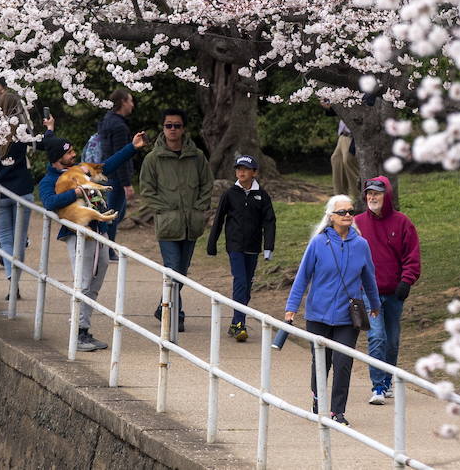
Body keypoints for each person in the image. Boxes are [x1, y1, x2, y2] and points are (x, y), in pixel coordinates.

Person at [37, 116, 146, 352]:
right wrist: (75, 192)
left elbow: (106, 167)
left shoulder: (80, 170)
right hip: (78, 234)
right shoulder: (50, 180)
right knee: (83, 281)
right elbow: (49, 202)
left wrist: (132, 148)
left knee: (95, 280)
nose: (74, 155)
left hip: (99, 231)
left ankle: (84, 329)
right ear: (57, 160)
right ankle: (77, 332)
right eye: (69, 153)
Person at [284, 194, 380, 427]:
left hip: (348, 316)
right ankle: (318, 399)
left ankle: (337, 411)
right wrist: (291, 308)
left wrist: (375, 304)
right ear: (331, 216)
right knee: (321, 362)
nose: (348, 215)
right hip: (318, 314)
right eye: (342, 212)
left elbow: (369, 278)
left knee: (343, 363)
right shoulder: (318, 242)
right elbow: (303, 276)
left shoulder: (361, 245)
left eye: (350, 211)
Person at [140, 108, 213, 333]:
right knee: (172, 269)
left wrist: (199, 209)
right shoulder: (152, 158)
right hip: (168, 226)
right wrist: (165, 210)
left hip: (192, 224)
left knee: (182, 271)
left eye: (177, 126)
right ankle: (175, 314)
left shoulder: (197, 156)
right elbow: (146, 190)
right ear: (163, 128)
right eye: (168, 125)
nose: (172, 130)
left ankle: (163, 307)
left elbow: (206, 185)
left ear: (184, 129)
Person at [354, 175, 421, 404]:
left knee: (392, 340)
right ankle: (378, 387)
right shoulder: (358, 223)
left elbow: (412, 256)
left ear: (387, 196)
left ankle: (388, 378)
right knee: (377, 337)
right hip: (368, 292)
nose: (372, 197)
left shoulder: (402, 222)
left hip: (394, 292)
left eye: (377, 194)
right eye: (369, 194)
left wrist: (407, 281)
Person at [206, 154, 277, 342]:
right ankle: (239, 324)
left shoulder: (262, 195)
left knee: (247, 286)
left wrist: (268, 247)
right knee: (240, 281)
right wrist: (212, 244)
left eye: (245, 169)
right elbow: (219, 219)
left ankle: (235, 322)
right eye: (238, 169)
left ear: (254, 172)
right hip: (235, 246)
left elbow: (269, 222)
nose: (241, 172)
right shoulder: (230, 194)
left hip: (253, 246)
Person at [0, 76, 34, 284]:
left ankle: (11, 275)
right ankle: (16, 277)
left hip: (0, 191)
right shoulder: (23, 135)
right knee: (20, 238)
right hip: (23, 190)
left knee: (5, 238)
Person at [97, 88, 136, 259]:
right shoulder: (119, 126)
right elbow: (121, 156)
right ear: (123, 102)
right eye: (130, 101)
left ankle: (106, 246)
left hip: (105, 173)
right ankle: (107, 249)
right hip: (115, 177)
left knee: (112, 212)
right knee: (113, 214)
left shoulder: (107, 120)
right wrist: (127, 183)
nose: (132, 104)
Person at [323, 103, 360, 198]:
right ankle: (340, 198)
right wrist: (329, 107)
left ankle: (359, 198)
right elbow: (339, 110)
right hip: (343, 135)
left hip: (354, 136)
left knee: (349, 161)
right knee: (336, 160)